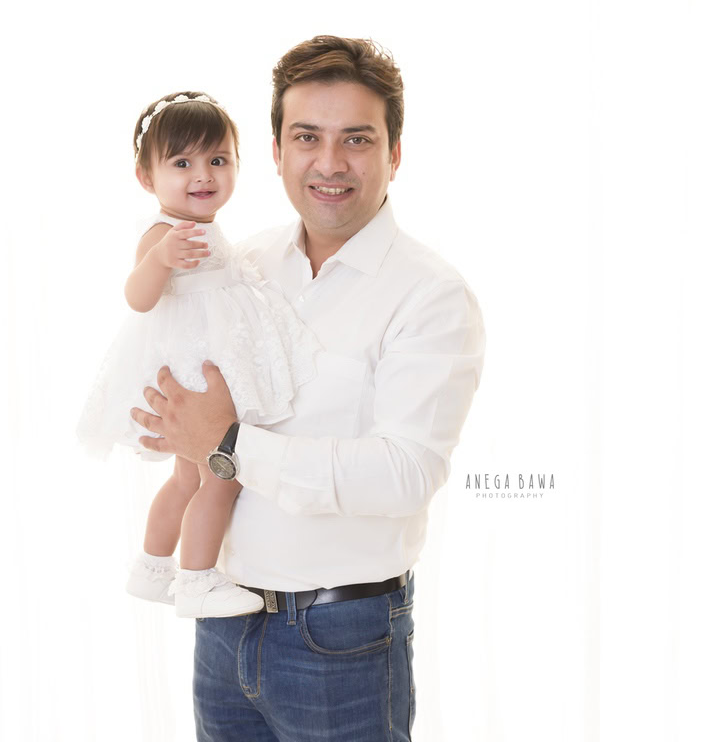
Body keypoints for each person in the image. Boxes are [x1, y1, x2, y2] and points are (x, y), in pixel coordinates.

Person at [130, 37, 486, 740]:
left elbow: (403, 473)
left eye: (357, 138)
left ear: (396, 153)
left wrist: (227, 448)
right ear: (276, 151)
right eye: (307, 138)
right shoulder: (241, 262)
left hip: (341, 640)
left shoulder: (430, 296)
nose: (329, 163)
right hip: (223, 624)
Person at [76, 91, 320, 619]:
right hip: (192, 370)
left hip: (203, 360)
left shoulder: (206, 226)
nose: (202, 175)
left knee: (187, 479)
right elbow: (138, 298)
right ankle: (197, 579)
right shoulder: (163, 232)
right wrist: (159, 259)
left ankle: (151, 566)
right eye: (181, 162)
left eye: (218, 160)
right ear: (147, 177)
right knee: (221, 474)